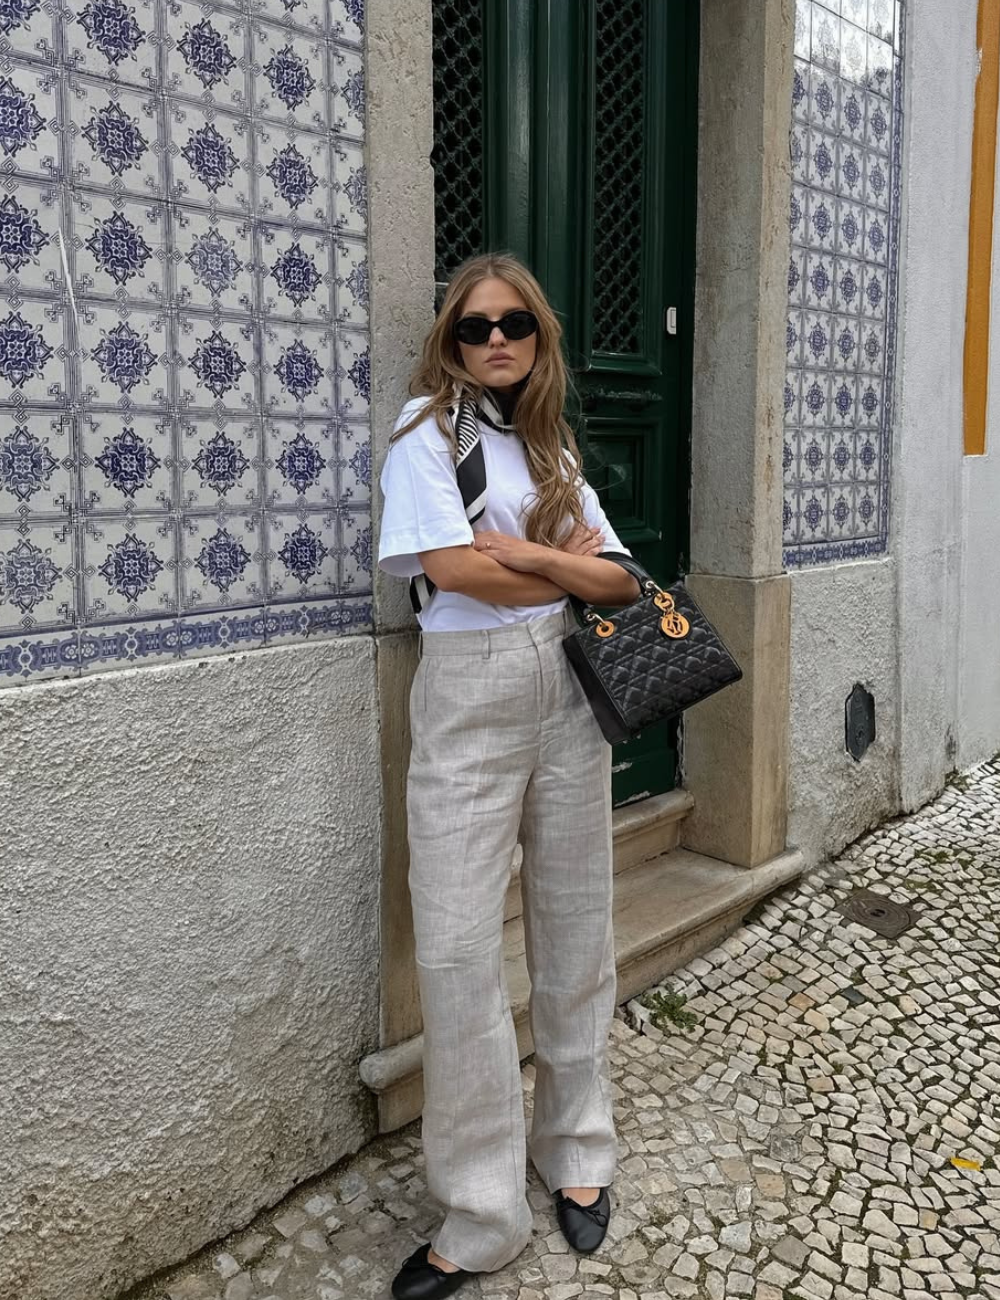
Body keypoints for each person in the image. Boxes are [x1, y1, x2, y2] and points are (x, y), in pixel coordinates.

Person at [377, 252, 639, 1300]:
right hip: (469, 691)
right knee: (453, 949)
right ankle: (481, 1212)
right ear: (450, 338)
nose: (495, 339)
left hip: (568, 688)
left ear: (539, 338)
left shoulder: (550, 444)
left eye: (515, 324)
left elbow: (618, 579)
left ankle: (575, 1147)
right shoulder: (420, 434)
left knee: (577, 924)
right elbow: (448, 567)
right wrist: (549, 560)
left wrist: (533, 560)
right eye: (474, 325)